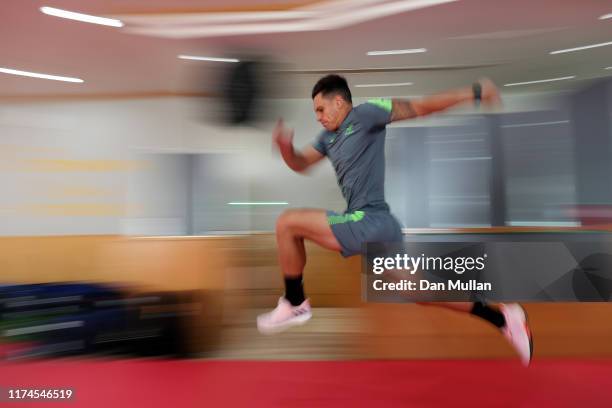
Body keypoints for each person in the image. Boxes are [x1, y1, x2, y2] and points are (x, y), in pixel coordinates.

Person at [256, 74, 533, 366]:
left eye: (321, 110)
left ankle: (296, 302)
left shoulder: (366, 114)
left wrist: (476, 92)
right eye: (315, 112)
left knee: (287, 223)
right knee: (420, 292)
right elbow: (301, 163)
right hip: (378, 228)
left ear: (339, 101)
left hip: (369, 221)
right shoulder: (328, 138)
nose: (318, 117)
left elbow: (423, 106)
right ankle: (501, 317)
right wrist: (286, 149)